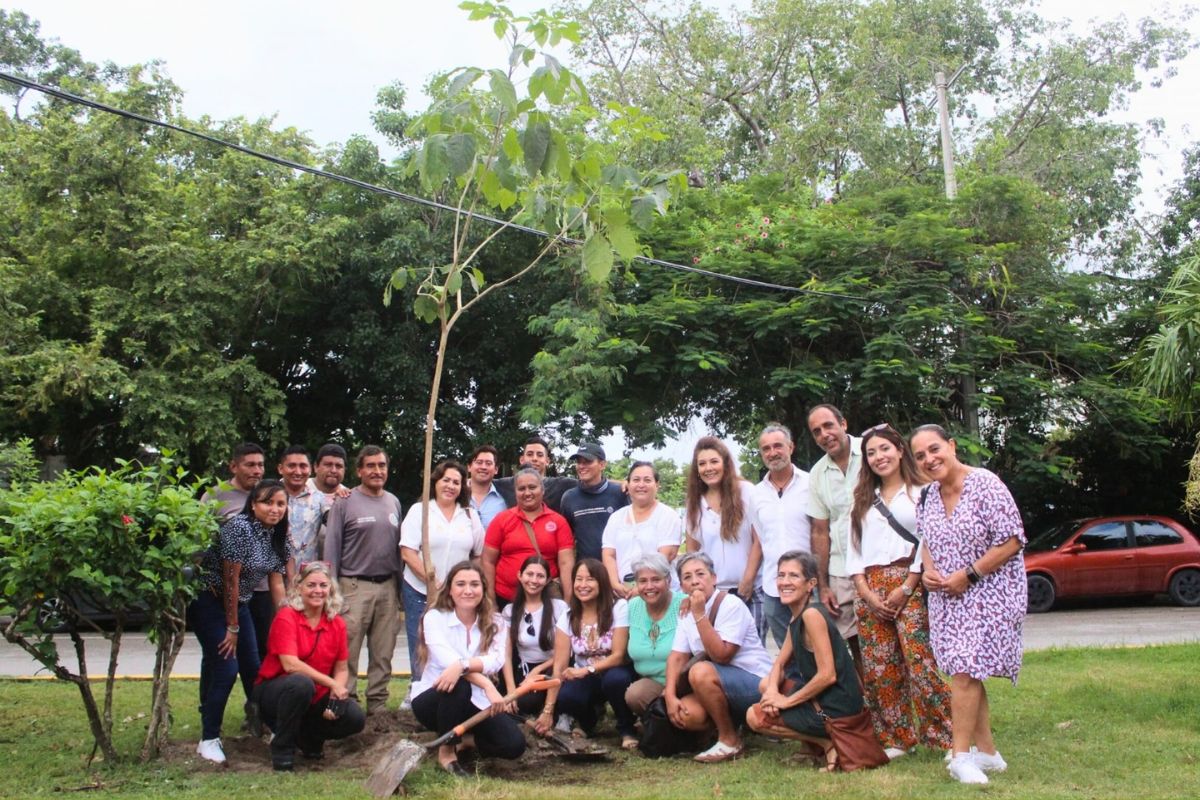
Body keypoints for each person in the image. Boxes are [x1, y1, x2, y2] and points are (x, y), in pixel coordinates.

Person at [910, 424, 1026, 785]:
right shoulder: (927, 496)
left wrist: (970, 574)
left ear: (951, 445)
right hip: (947, 598)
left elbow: (1013, 540)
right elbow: (926, 541)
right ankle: (987, 753)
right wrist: (929, 571)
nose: (929, 459)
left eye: (934, 449)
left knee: (965, 669)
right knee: (967, 672)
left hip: (990, 594)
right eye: (920, 455)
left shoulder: (986, 484)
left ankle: (960, 756)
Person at [847, 425, 951, 759]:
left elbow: (929, 541)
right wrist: (866, 593)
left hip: (911, 582)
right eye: (871, 453)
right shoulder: (863, 498)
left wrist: (906, 587)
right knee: (880, 669)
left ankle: (945, 735)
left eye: (884, 449)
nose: (879, 457)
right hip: (870, 587)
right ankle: (896, 738)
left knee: (920, 663)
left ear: (900, 450)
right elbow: (854, 550)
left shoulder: (923, 491)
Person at [190, 479, 293, 764]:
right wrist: (232, 627)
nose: (274, 509)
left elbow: (277, 582)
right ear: (253, 504)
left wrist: (288, 621)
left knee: (254, 669)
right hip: (210, 601)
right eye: (267, 503)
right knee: (226, 668)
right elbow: (230, 581)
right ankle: (209, 738)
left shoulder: (277, 534)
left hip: (240, 603)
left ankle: (269, 727)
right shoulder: (239, 528)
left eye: (280, 504)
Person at [746, 551, 867, 772]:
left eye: (793, 576)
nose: (785, 582)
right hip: (822, 699)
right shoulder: (798, 614)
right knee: (766, 684)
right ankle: (816, 745)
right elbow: (779, 663)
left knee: (755, 717)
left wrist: (785, 702)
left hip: (839, 706)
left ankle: (828, 743)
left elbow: (827, 675)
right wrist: (772, 692)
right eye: (781, 575)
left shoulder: (812, 616)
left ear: (810, 584)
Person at [411, 561, 525, 776]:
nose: (468, 590)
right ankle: (446, 753)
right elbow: (447, 662)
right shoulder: (434, 618)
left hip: (478, 703)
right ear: (450, 590)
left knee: (513, 745)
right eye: (460, 584)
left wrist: (461, 665)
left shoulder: (496, 621)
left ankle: (464, 741)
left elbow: (496, 660)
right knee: (458, 686)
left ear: (483, 588)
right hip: (435, 700)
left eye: (474, 584)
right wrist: (487, 684)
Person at [254, 561, 365, 771]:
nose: (318, 591)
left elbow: (342, 669)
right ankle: (282, 748)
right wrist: (332, 683)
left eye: (323, 585)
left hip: (316, 693)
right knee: (301, 684)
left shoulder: (337, 623)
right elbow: (290, 665)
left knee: (355, 717)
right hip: (277, 690)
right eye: (311, 585)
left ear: (330, 589)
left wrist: (336, 693)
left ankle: (309, 738)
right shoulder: (286, 616)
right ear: (299, 587)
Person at [663, 552, 773, 764]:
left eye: (700, 574)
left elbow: (722, 655)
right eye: (687, 577)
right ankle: (730, 725)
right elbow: (677, 656)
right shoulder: (685, 610)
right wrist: (670, 695)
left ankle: (729, 739)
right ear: (682, 586)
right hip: (721, 685)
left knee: (700, 671)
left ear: (713, 578)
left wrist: (699, 615)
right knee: (687, 714)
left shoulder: (730, 604)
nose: (695, 581)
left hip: (756, 683)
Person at [325, 445, 403, 714]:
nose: (377, 471)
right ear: (359, 471)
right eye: (370, 466)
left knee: (383, 650)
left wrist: (399, 591)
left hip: (388, 586)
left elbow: (398, 549)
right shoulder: (344, 502)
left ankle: (378, 705)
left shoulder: (393, 502)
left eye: (382, 465)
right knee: (348, 650)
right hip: (353, 586)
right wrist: (332, 591)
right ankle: (347, 703)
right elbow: (332, 548)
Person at [398, 460, 485, 690]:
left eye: (456, 482)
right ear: (435, 482)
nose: (450, 486)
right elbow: (407, 552)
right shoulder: (420, 511)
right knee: (421, 640)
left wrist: (467, 583)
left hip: (457, 595)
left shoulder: (469, 515)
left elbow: (478, 554)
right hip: (419, 589)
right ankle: (418, 688)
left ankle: (449, 686)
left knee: (451, 641)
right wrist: (432, 583)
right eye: (446, 480)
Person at [536, 558, 638, 749]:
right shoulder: (568, 617)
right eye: (578, 579)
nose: (583, 585)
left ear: (602, 582)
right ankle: (588, 721)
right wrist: (548, 710)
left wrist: (586, 670)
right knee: (567, 696)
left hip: (614, 671)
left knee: (615, 680)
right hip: (586, 677)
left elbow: (618, 655)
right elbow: (559, 665)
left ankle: (626, 728)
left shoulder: (618, 607)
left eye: (590, 579)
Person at [201, 443, 275, 674]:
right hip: (225, 590)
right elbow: (199, 543)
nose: (257, 470)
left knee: (259, 656)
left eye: (260, 465)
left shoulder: (269, 495)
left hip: (260, 589)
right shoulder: (214, 496)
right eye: (250, 465)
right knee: (220, 656)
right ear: (234, 466)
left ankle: (256, 697)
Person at [683, 437, 764, 640]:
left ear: (725, 463)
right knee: (719, 649)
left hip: (750, 590)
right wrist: (693, 589)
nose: (708, 468)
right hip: (714, 594)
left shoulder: (746, 492)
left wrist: (748, 580)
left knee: (752, 648)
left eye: (714, 461)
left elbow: (759, 540)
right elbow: (692, 552)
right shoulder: (694, 503)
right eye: (702, 464)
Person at [806, 404, 863, 665]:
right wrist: (824, 585)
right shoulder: (817, 474)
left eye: (828, 425)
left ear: (843, 424)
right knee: (854, 645)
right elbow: (820, 532)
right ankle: (865, 693)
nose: (824, 434)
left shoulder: (872, 452)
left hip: (878, 564)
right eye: (816, 431)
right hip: (842, 570)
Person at [751, 423, 812, 647]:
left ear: (791, 447)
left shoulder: (811, 483)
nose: (772, 452)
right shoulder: (756, 494)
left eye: (778, 446)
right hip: (773, 587)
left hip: (809, 585)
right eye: (766, 448)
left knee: (816, 649)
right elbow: (761, 537)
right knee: (787, 655)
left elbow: (822, 532)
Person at [482, 467, 575, 609]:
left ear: (542, 490)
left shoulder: (558, 522)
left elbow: (566, 563)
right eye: (521, 489)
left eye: (532, 487)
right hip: (506, 598)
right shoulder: (501, 520)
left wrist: (568, 603)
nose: (527, 493)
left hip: (545, 599)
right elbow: (488, 561)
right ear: (515, 492)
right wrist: (491, 602)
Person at [601, 461, 682, 600]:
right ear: (628, 484)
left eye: (647, 480)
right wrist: (615, 584)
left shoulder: (668, 516)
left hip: (659, 595)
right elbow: (609, 554)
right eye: (636, 480)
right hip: (623, 594)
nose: (641, 485)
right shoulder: (616, 517)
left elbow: (666, 555)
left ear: (657, 485)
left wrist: (641, 587)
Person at [501, 555, 569, 717]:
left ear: (548, 580)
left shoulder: (559, 607)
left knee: (530, 702)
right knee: (514, 703)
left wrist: (538, 670)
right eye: (529, 574)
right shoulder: (510, 611)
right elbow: (506, 653)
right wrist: (511, 691)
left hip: (554, 667)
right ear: (520, 575)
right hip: (525, 669)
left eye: (540, 576)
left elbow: (566, 652)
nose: (534, 580)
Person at [623, 553, 686, 716]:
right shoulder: (632, 606)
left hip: (684, 683)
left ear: (668, 581)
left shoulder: (685, 604)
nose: (649, 586)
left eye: (656, 579)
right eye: (643, 581)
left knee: (689, 715)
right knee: (635, 694)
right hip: (651, 683)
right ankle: (655, 721)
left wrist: (671, 690)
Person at [559, 442, 630, 562]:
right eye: (579, 462)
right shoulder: (569, 498)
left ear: (602, 464)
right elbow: (567, 541)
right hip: (585, 569)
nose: (581, 466)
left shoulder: (620, 492)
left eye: (587, 462)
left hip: (618, 566)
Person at [494, 435, 578, 511]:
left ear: (547, 461)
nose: (534, 458)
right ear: (522, 460)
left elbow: (585, 485)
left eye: (540, 455)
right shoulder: (505, 485)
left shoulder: (561, 485)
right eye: (530, 454)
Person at [467, 444, 507, 529]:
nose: (483, 467)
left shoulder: (504, 500)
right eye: (479, 462)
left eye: (488, 463)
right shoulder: (456, 494)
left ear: (496, 469)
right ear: (469, 467)